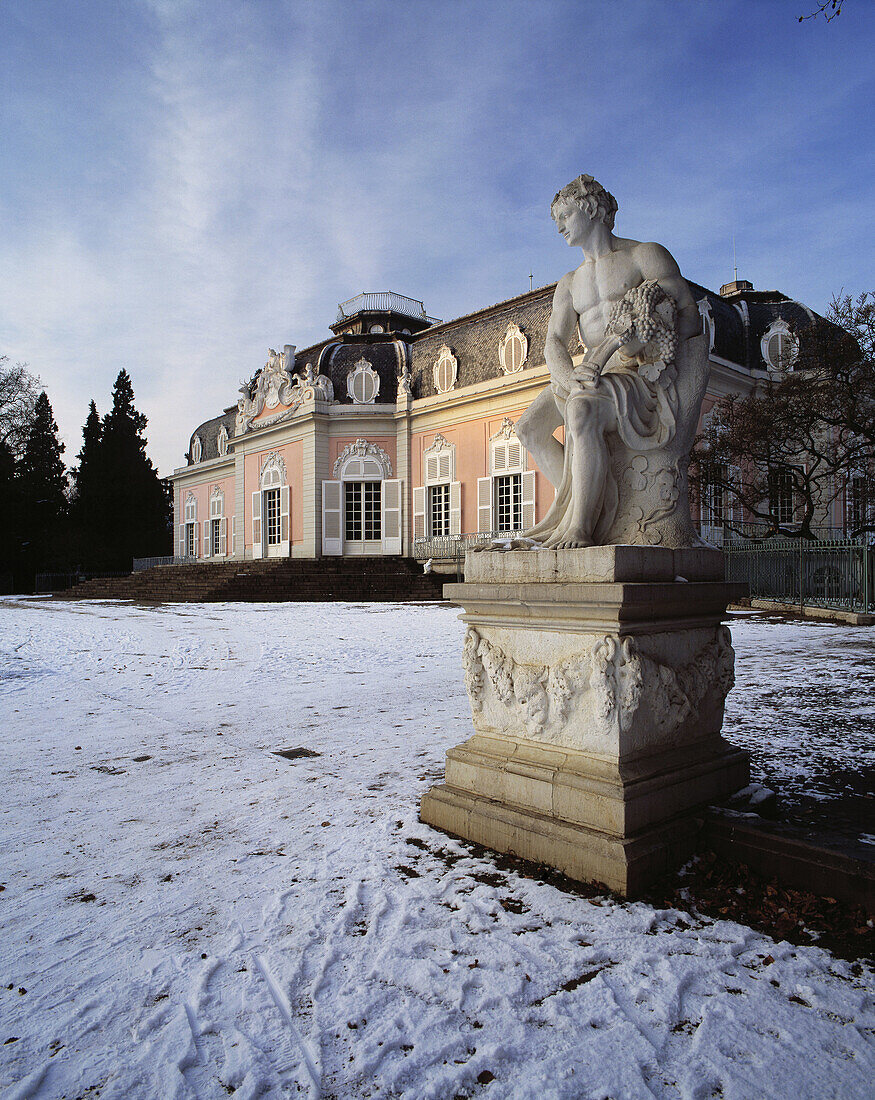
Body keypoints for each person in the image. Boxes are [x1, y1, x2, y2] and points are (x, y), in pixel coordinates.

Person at [515, 175, 700, 548]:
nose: (559, 226)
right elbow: (553, 340)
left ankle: (581, 528)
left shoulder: (644, 255)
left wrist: (640, 338)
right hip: (586, 374)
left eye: (564, 215)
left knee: (581, 410)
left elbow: (688, 317)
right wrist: (567, 376)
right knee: (529, 429)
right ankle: (574, 506)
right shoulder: (569, 282)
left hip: (637, 375)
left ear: (591, 208)